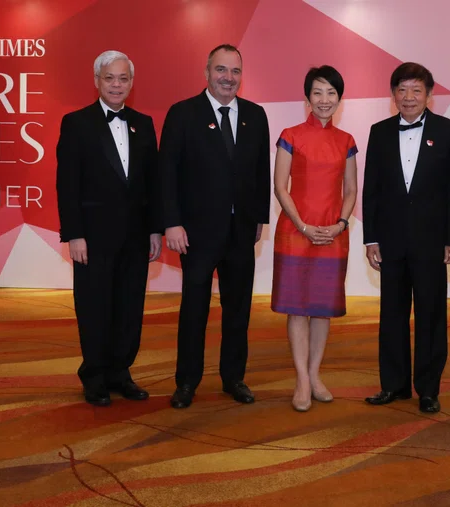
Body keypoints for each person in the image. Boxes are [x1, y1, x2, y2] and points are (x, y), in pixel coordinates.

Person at [158, 44, 271, 409]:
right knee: (195, 309)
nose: (228, 78)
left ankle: (233, 377)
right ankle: (187, 381)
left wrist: (259, 219)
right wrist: (171, 223)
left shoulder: (255, 115)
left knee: (238, 309)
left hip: (241, 232)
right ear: (207, 72)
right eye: (221, 70)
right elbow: (167, 174)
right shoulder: (182, 114)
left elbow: (260, 173)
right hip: (196, 234)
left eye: (235, 71)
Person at [55, 50, 162, 406]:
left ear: (131, 83)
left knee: (130, 307)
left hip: (135, 237)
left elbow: (152, 184)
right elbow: (67, 184)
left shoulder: (144, 123)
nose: (117, 85)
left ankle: (121, 372)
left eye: (123, 79)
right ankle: (95, 376)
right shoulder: (76, 123)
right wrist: (74, 234)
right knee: (94, 306)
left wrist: (154, 230)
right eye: (109, 78)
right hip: (93, 237)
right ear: (96, 80)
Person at [362, 62, 450, 414]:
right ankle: (393, 385)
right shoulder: (379, 132)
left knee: (431, 314)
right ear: (393, 95)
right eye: (402, 90)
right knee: (391, 313)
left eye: (416, 90)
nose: (408, 97)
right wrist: (370, 237)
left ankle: (428, 389)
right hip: (389, 241)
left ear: (429, 95)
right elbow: (371, 190)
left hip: (432, 241)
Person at [272, 65, 358, 412]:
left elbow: (351, 189)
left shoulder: (346, 141)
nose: (325, 100)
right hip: (296, 231)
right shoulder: (290, 135)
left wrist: (339, 224)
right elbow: (280, 187)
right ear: (307, 98)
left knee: (322, 310)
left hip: (333, 233)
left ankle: (315, 373)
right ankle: (302, 381)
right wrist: (303, 225)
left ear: (339, 98)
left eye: (331, 93)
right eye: (318, 92)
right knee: (297, 309)